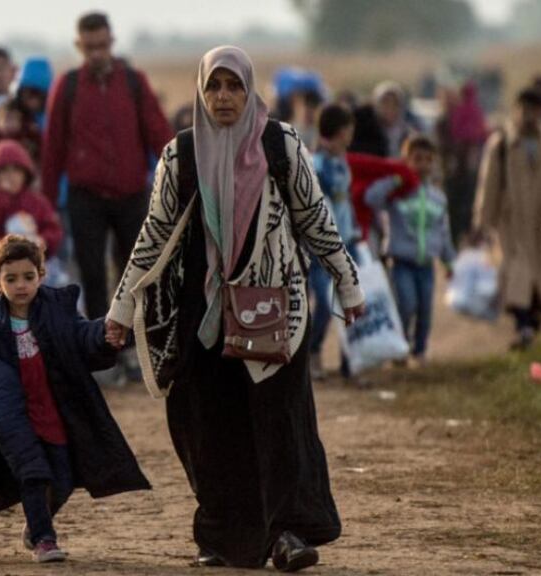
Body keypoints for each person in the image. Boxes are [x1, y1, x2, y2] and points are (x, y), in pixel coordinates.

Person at [105, 46, 365, 572]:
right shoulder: (180, 155)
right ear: (202, 93)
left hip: (274, 306)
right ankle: (224, 537)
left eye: (234, 86)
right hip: (200, 315)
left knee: (280, 423)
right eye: (214, 87)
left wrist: (347, 282)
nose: (224, 97)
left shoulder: (280, 143)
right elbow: (152, 236)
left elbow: (316, 219)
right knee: (207, 426)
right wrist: (121, 305)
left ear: (250, 91)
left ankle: (288, 533)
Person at [0, 235, 150, 563]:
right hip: (15, 419)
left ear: (41, 276)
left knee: (64, 478)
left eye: (28, 277)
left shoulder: (58, 312)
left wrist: (104, 334)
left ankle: (36, 525)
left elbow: (81, 336)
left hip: (55, 413)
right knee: (32, 473)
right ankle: (44, 539)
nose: (21, 286)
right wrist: (6, 414)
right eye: (11, 278)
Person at [41, 11, 173, 321]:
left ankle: (133, 342)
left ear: (111, 41)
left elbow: (159, 134)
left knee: (136, 271)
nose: (97, 53)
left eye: (102, 45)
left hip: (131, 194)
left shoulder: (133, 82)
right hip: (85, 196)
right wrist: (46, 205)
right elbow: (53, 148)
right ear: (79, 45)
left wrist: (178, 176)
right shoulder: (68, 86)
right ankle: (102, 346)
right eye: (90, 47)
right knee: (92, 273)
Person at [475, 88, 541, 351]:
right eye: (522, 109)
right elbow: (488, 187)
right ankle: (523, 328)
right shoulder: (500, 146)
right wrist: (482, 223)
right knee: (516, 276)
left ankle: (531, 328)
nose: (527, 116)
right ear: (515, 110)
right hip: (513, 224)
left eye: (533, 110)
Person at [366, 135, 456, 365]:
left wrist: (450, 262)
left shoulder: (438, 197)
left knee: (425, 309)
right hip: (401, 262)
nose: (423, 165)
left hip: (426, 265)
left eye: (428, 159)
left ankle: (420, 350)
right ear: (406, 160)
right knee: (406, 305)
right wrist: (394, 180)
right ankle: (401, 346)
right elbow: (371, 198)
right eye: (417, 159)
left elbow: (443, 232)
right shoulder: (398, 192)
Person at [0, 140, 63, 296]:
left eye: (15, 171)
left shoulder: (36, 202)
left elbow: (53, 229)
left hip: (31, 281)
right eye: (4, 171)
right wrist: (0, 198)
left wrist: (43, 241)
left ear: (25, 173)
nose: (10, 177)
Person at [309, 103, 361, 379]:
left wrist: (354, 234)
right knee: (326, 304)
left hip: (347, 242)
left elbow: (345, 203)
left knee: (351, 303)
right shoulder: (316, 165)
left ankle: (350, 360)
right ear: (342, 131)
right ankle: (313, 351)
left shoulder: (342, 160)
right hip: (321, 247)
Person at [0, 57, 54, 165]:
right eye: (27, 92)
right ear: (19, 92)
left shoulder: (54, 116)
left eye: (37, 93)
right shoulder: (5, 108)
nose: (32, 99)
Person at [437, 82, 487, 247]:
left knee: (465, 209)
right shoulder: (447, 119)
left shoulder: (460, 115)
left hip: (467, 172)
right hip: (456, 172)